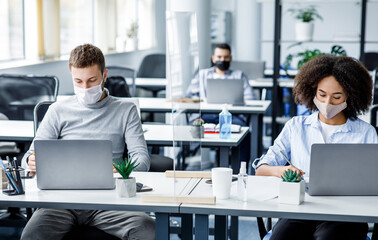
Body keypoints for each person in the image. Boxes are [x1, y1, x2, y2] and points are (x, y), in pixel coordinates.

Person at [20, 44, 155, 240]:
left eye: (92, 80)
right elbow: (28, 158)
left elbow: (142, 160)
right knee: (31, 235)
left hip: (109, 202)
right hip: (61, 203)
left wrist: (120, 168)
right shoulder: (57, 110)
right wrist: (31, 162)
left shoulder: (126, 109)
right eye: (78, 81)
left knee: (149, 229)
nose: (85, 88)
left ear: (104, 75)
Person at [254, 55, 378, 240]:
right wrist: (282, 170)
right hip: (301, 208)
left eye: (337, 97)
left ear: (350, 96)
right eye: (322, 94)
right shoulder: (296, 127)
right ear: (312, 91)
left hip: (346, 213)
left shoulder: (365, 133)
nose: (327, 103)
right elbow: (261, 169)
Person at [186, 42, 255, 126]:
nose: (222, 60)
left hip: (232, 116)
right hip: (205, 115)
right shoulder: (202, 75)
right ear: (213, 58)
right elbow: (189, 96)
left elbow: (250, 98)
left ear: (230, 58)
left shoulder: (239, 75)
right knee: (196, 127)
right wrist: (203, 102)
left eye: (226, 57)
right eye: (219, 57)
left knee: (240, 130)